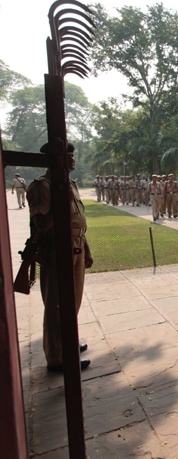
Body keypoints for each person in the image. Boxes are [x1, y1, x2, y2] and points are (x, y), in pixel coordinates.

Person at [26, 142, 92, 372]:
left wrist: (87, 248)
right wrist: (60, 206)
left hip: (76, 245)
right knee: (56, 304)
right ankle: (56, 356)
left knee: (73, 300)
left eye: (72, 155)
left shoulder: (70, 184)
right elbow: (42, 223)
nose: (72, 159)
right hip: (56, 249)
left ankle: (68, 343)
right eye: (67, 156)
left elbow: (78, 222)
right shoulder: (42, 186)